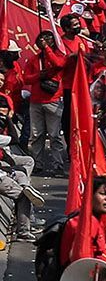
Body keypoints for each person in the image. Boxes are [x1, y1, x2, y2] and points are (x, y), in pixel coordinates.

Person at [21, 30, 66, 174]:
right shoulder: (34, 59)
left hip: (53, 101)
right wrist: (38, 75)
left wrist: (47, 49)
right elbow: (26, 78)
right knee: (36, 135)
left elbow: (59, 65)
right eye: (42, 39)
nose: (44, 41)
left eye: (48, 39)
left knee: (54, 135)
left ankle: (57, 165)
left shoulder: (58, 55)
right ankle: (37, 163)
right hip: (36, 101)